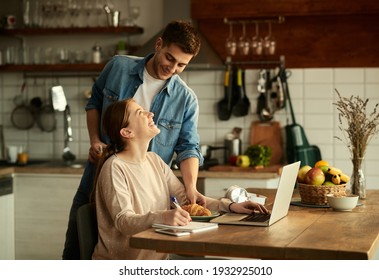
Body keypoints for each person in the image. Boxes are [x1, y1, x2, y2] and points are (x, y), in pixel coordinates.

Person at [63, 20, 207, 259]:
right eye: (170, 58)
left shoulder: (186, 99)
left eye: (182, 65)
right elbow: (94, 102)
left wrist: (190, 188)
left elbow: (188, 147)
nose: (172, 68)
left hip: (144, 195)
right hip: (99, 174)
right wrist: (95, 140)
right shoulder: (118, 66)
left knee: (138, 254)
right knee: (75, 251)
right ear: (159, 44)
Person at [92, 99, 268, 259]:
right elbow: (124, 221)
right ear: (127, 132)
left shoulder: (154, 160)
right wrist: (164, 217)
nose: (150, 114)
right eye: (141, 113)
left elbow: (187, 201)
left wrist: (230, 206)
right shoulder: (114, 167)